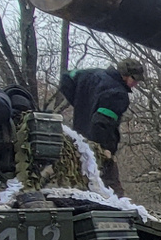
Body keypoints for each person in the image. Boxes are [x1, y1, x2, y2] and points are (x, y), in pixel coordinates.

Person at [58, 58, 144, 196]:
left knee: (81, 184)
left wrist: (81, 106)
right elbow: (102, 122)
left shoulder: (91, 75)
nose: (136, 84)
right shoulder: (118, 94)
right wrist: (106, 149)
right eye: (134, 79)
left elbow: (66, 78)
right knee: (112, 191)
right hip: (97, 147)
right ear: (124, 75)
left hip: (79, 141)